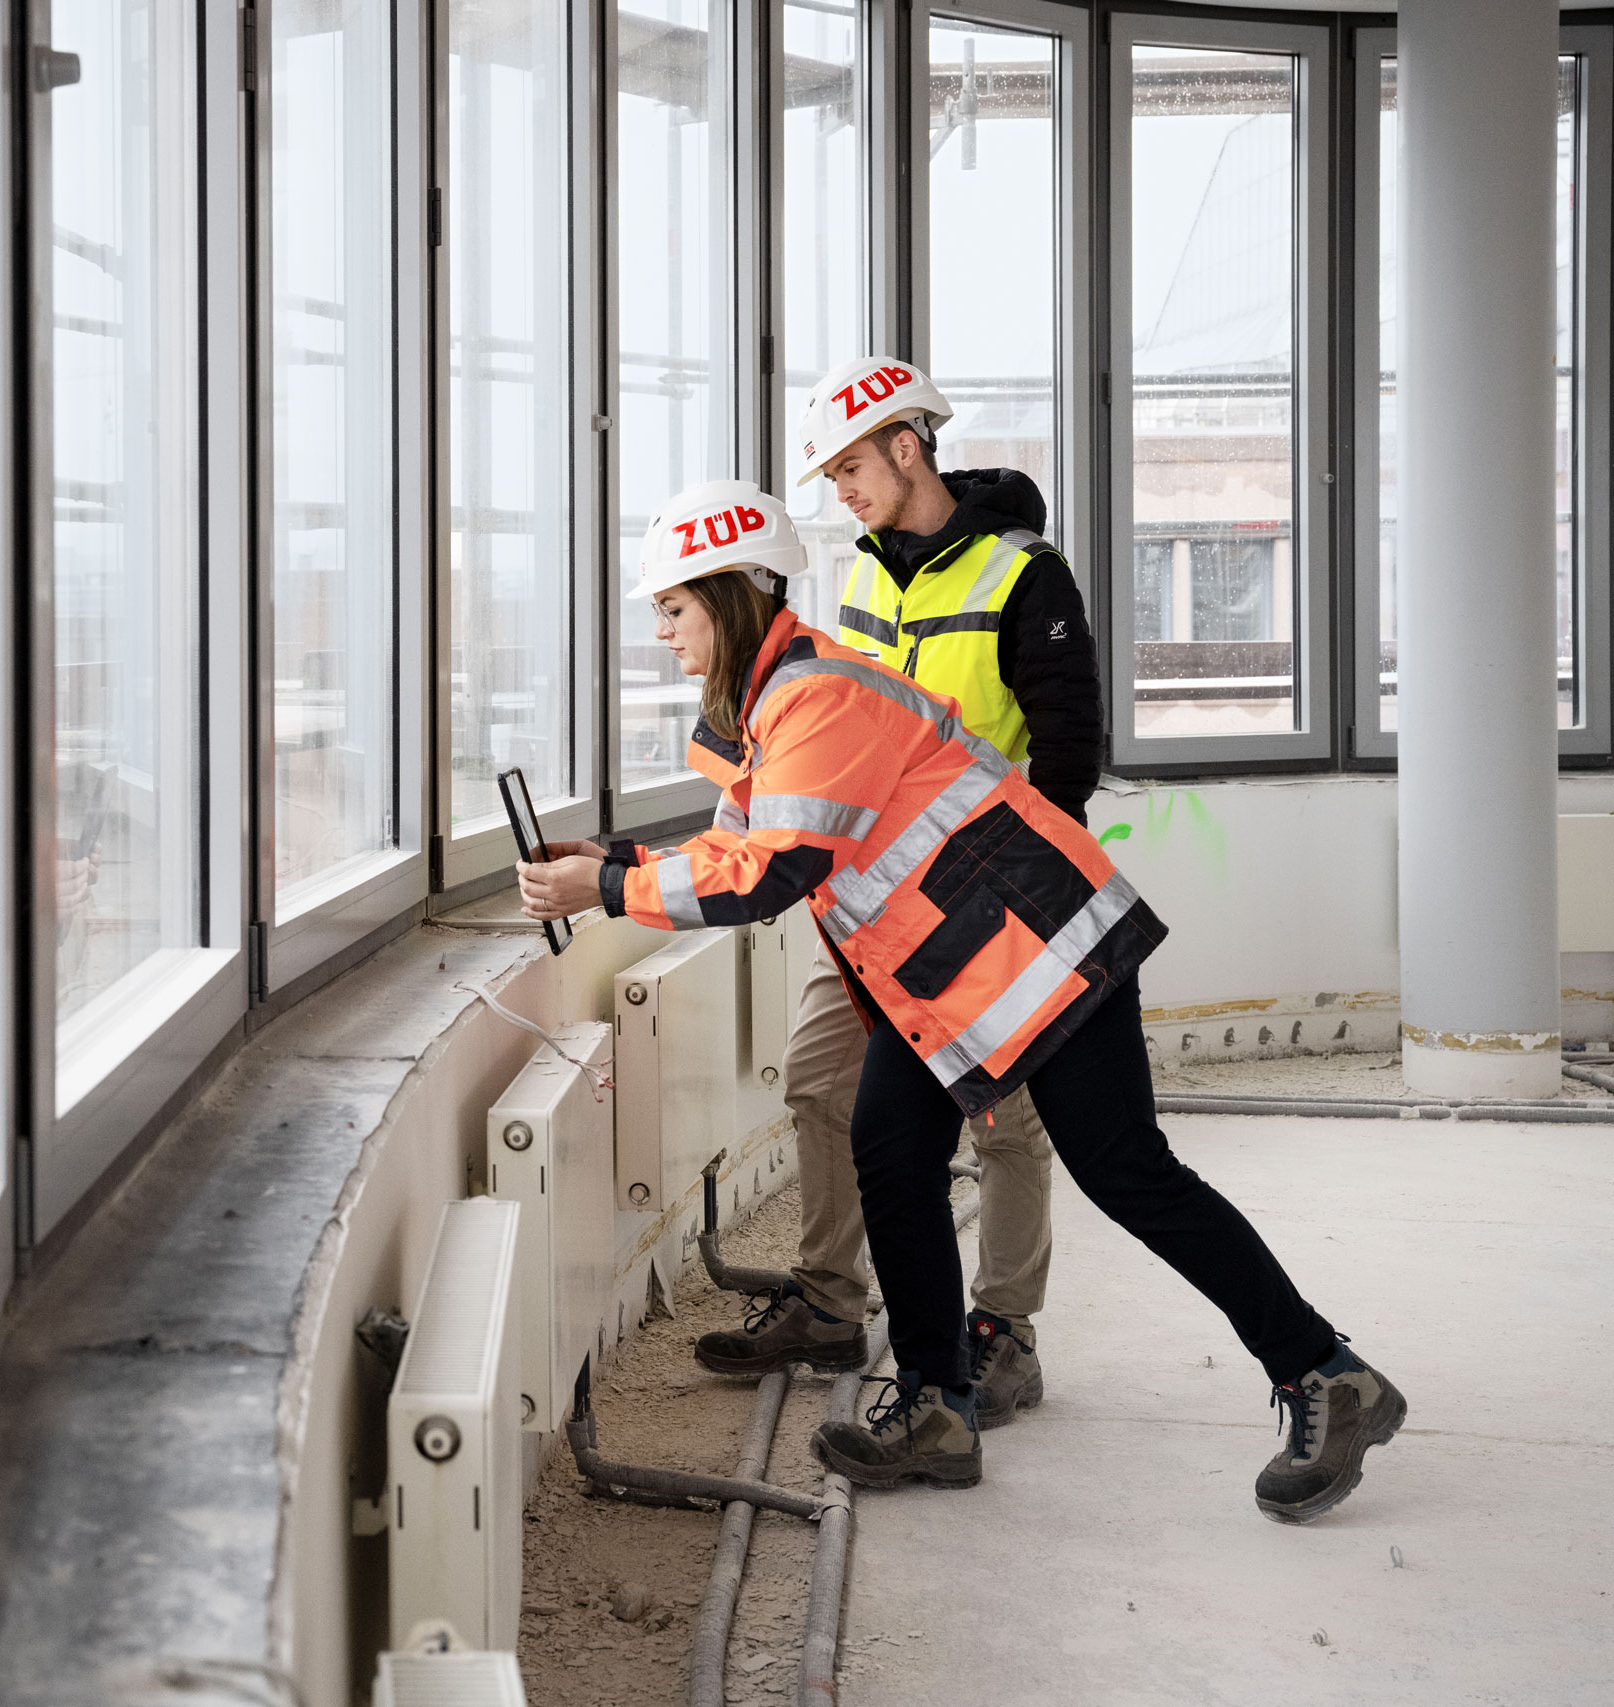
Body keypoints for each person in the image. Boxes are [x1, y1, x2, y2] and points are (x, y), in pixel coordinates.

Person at [516, 478, 1403, 1522]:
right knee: (891, 1153)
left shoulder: (817, 698)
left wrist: (602, 889)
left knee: (1129, 1174)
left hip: (1045, 956)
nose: (662, 630)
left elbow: (772, 873)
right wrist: (613, 858)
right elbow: (740, 845)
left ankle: (1324, 1372)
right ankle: (937, 1406)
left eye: (674, 607)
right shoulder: (773, 707)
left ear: (732, 594)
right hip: (957, 977)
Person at [691, 357, 1093, 1431]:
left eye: (849, 468)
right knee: (821, 1085)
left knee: (1002, 1121)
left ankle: (1004, 1330)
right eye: (830, 475)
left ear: (907, 447)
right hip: (870, 897)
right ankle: (831, 1300)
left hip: (987, 903)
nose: (840, 491)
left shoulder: (1023, 573)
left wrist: (1022, 899)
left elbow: (1068, 752)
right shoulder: (865, 576)